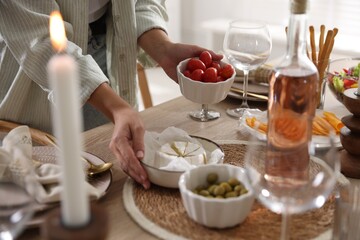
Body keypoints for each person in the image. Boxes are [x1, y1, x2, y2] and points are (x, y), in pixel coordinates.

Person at [0, 1, 222, 189]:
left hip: (110, 52)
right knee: (42, 186)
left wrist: (162, 47)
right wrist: (118, 108)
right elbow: (40, 38)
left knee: (108, 178)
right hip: (31, 76)